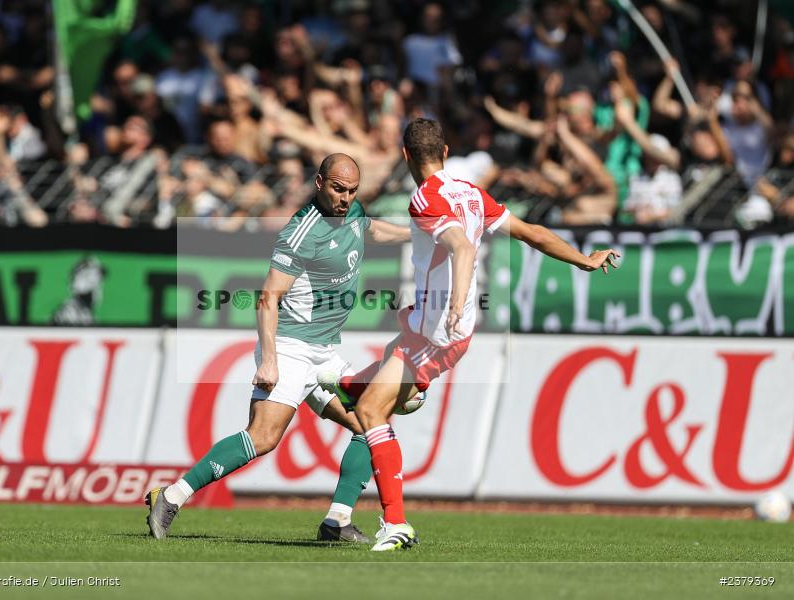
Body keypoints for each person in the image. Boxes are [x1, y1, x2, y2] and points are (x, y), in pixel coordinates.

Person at [319, 118, 620, 551]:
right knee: (358, 396)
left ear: (405, 157)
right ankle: (367, 391)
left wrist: (458, 300)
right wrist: (583, 260)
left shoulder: (425, 197)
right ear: (444, 152)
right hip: (430, 327)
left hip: (437, 332)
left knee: (370, 413)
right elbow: (532, 233)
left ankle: (396, 523)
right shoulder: (471, 192)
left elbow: (460, 247)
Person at [144, 153, 413, 542]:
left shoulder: (353, 211)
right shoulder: (301, 232)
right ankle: (171, 497)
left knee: (371, 423)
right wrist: (269, 361)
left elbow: (373, 231)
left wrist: (420, 232)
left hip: (324, 352)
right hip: (289, 348)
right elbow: (268, 298)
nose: (345, 198)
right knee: (263, 437)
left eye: (352, 190)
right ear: (319, 183)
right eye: (338, 189)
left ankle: (336, 522)